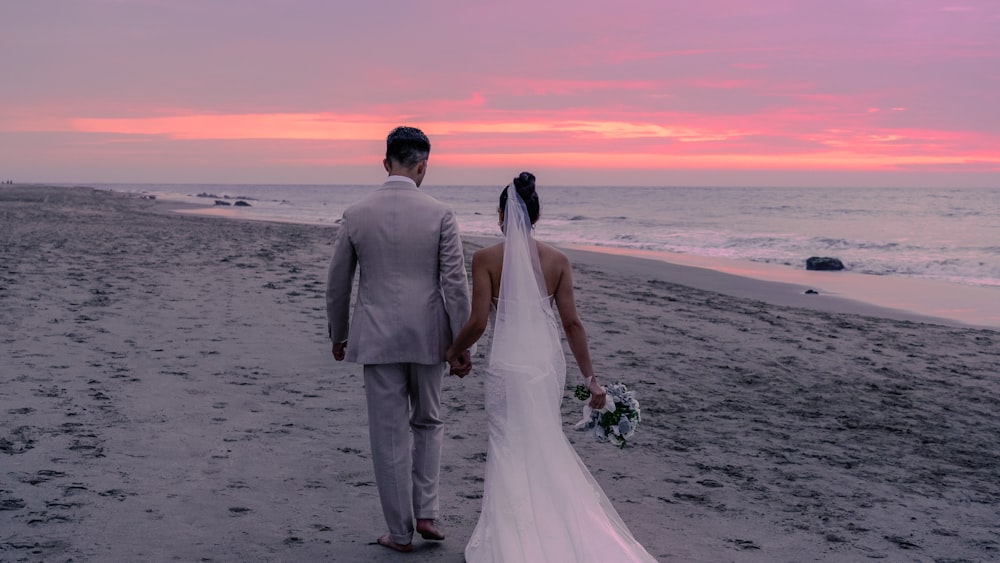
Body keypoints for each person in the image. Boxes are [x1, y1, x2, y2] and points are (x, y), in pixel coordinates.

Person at [446, 172, 657, 562]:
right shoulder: (557, 261)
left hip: (508, 365)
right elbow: (573, 324)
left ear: (501, 216)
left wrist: (453, 351)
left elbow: (477, 322)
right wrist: (591, 381)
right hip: (545, 364)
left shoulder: (485, 259)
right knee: (542, 439)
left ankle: (511, 535)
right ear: (536, 216)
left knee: (508, 444)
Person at [326, 126, 472, 553]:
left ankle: (401, 532)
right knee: (428, 421)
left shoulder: (357, 213)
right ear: (423, 164)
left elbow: (337, 283)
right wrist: (464, 344)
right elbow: (455, 284)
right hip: (430, 336)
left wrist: (340, 334)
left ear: (385, 162)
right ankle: (426, 511)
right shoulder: (440, 213)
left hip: (376, 337)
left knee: (387, 434)